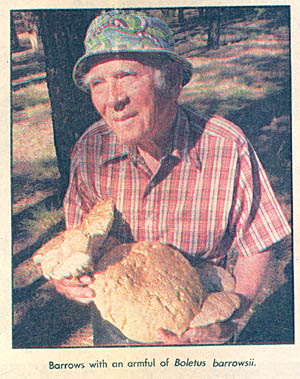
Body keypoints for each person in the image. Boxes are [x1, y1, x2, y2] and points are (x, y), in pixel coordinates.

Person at [52, 10, 291, 345]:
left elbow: (258, 240)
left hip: (202, 325)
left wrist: (231, 318)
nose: (112, 99)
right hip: (116, 329)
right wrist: (70, 275)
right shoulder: (91, 149)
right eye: (98, 83)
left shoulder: (225, 146)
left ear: (174, 79)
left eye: (126, 75)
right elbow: (79, 242)